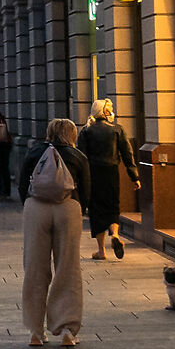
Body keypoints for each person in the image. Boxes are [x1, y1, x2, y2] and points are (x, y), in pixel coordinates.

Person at [21, 117, 91, 348]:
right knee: (68, 268)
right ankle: (67, 330)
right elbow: (87, 190)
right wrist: (79, 208)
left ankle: (35, 331)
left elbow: (22, 184)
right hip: (68, 209)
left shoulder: (35, 152)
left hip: (36, 208)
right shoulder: (77, 156)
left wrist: (30, 204)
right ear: (72, 134)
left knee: (35, 269)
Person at [78, 100, 138, 261]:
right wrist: (134, 176)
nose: (112, 112)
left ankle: (101, 251)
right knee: (113, 205)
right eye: (110, 109)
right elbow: (128, 154)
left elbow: (81, 156)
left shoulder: (86, 131)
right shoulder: (117, 129)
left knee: (96, 210)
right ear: (104, 112)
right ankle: (115, 234)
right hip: (111, 173)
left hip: (93, 174)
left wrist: (79, 179)